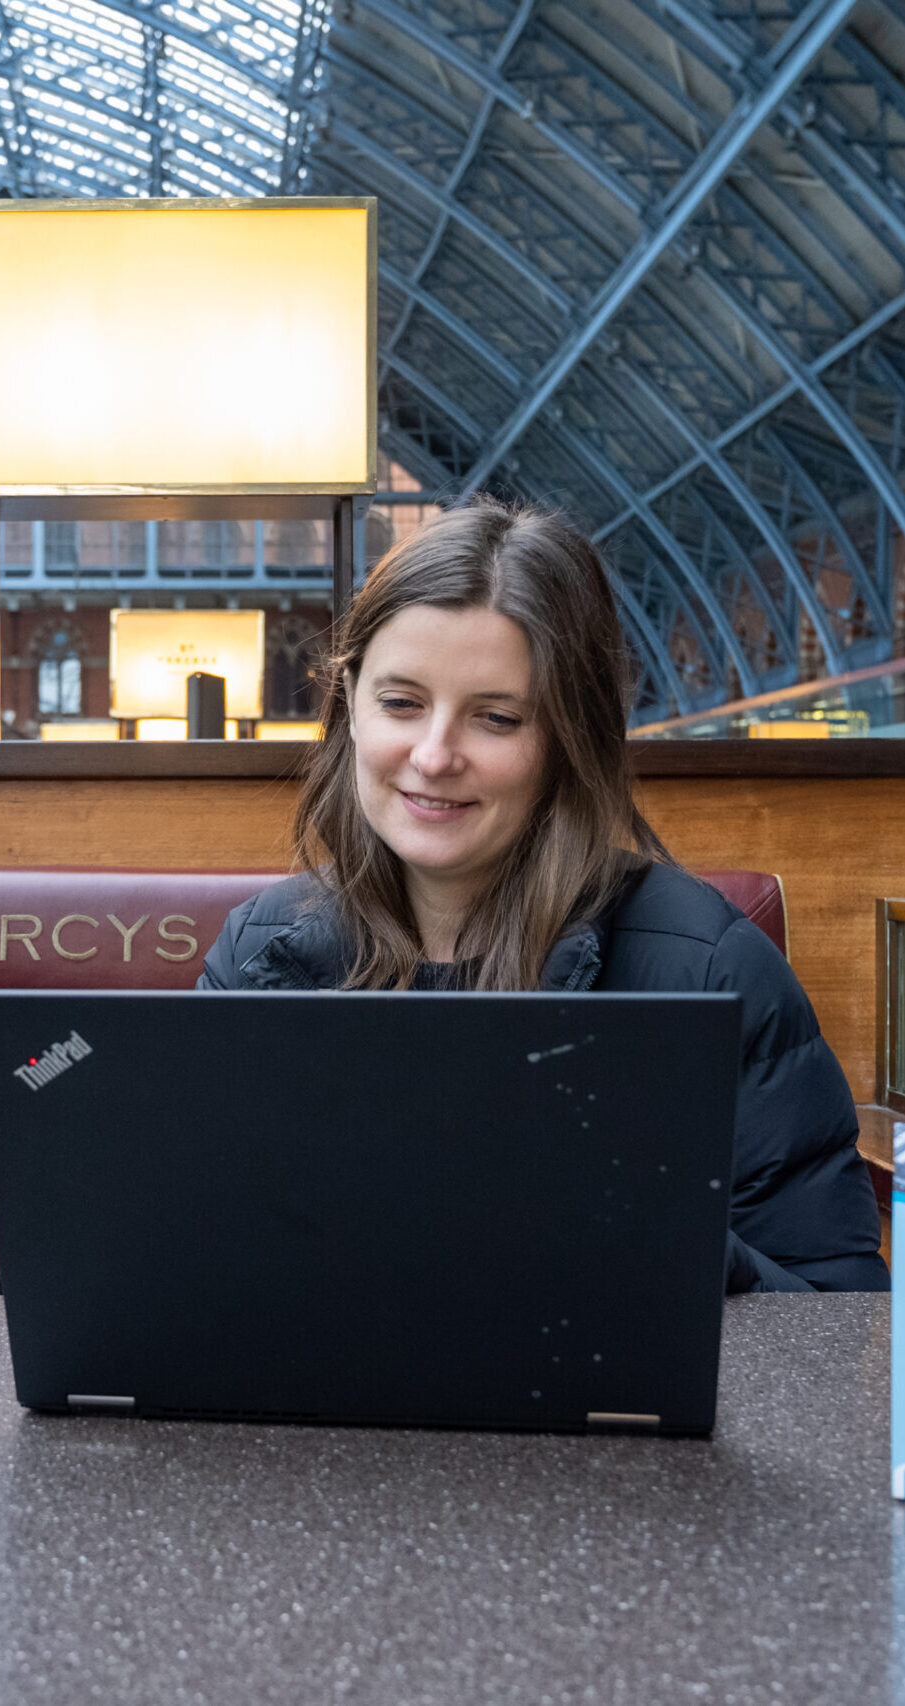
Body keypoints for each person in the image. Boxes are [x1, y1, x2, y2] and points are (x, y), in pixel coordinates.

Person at [200, 498, 886, 1293]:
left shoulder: (714, 970)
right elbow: (192, 1252)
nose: (432, 755)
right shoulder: (257, 950)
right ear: (349, 700)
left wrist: (650, 1229)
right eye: (400, 703)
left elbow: (837, 1317)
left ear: (568, 736)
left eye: (495, 718)